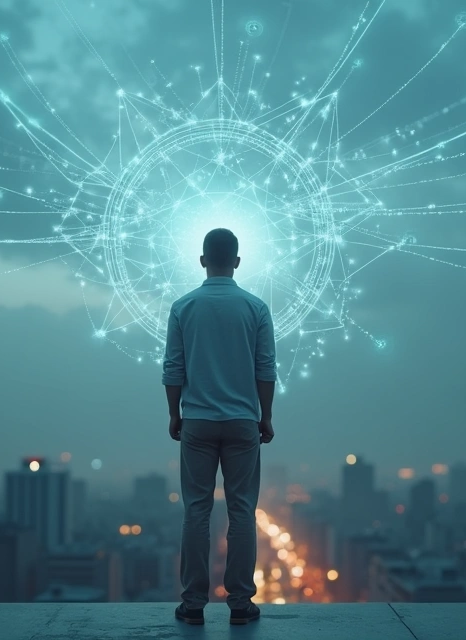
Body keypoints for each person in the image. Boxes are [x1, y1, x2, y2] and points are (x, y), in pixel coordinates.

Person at [163, 228, 277, 626]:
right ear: (238, 261)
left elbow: (173, 369)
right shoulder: (255, 308)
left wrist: (175, 413)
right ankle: (241, 603)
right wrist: (265, 415)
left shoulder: (183, 307)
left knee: (196, 512)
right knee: (242, 512)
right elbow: (266, 369)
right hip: (244, 421)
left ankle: (193, 602)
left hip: (197, 420)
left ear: (202, 260)